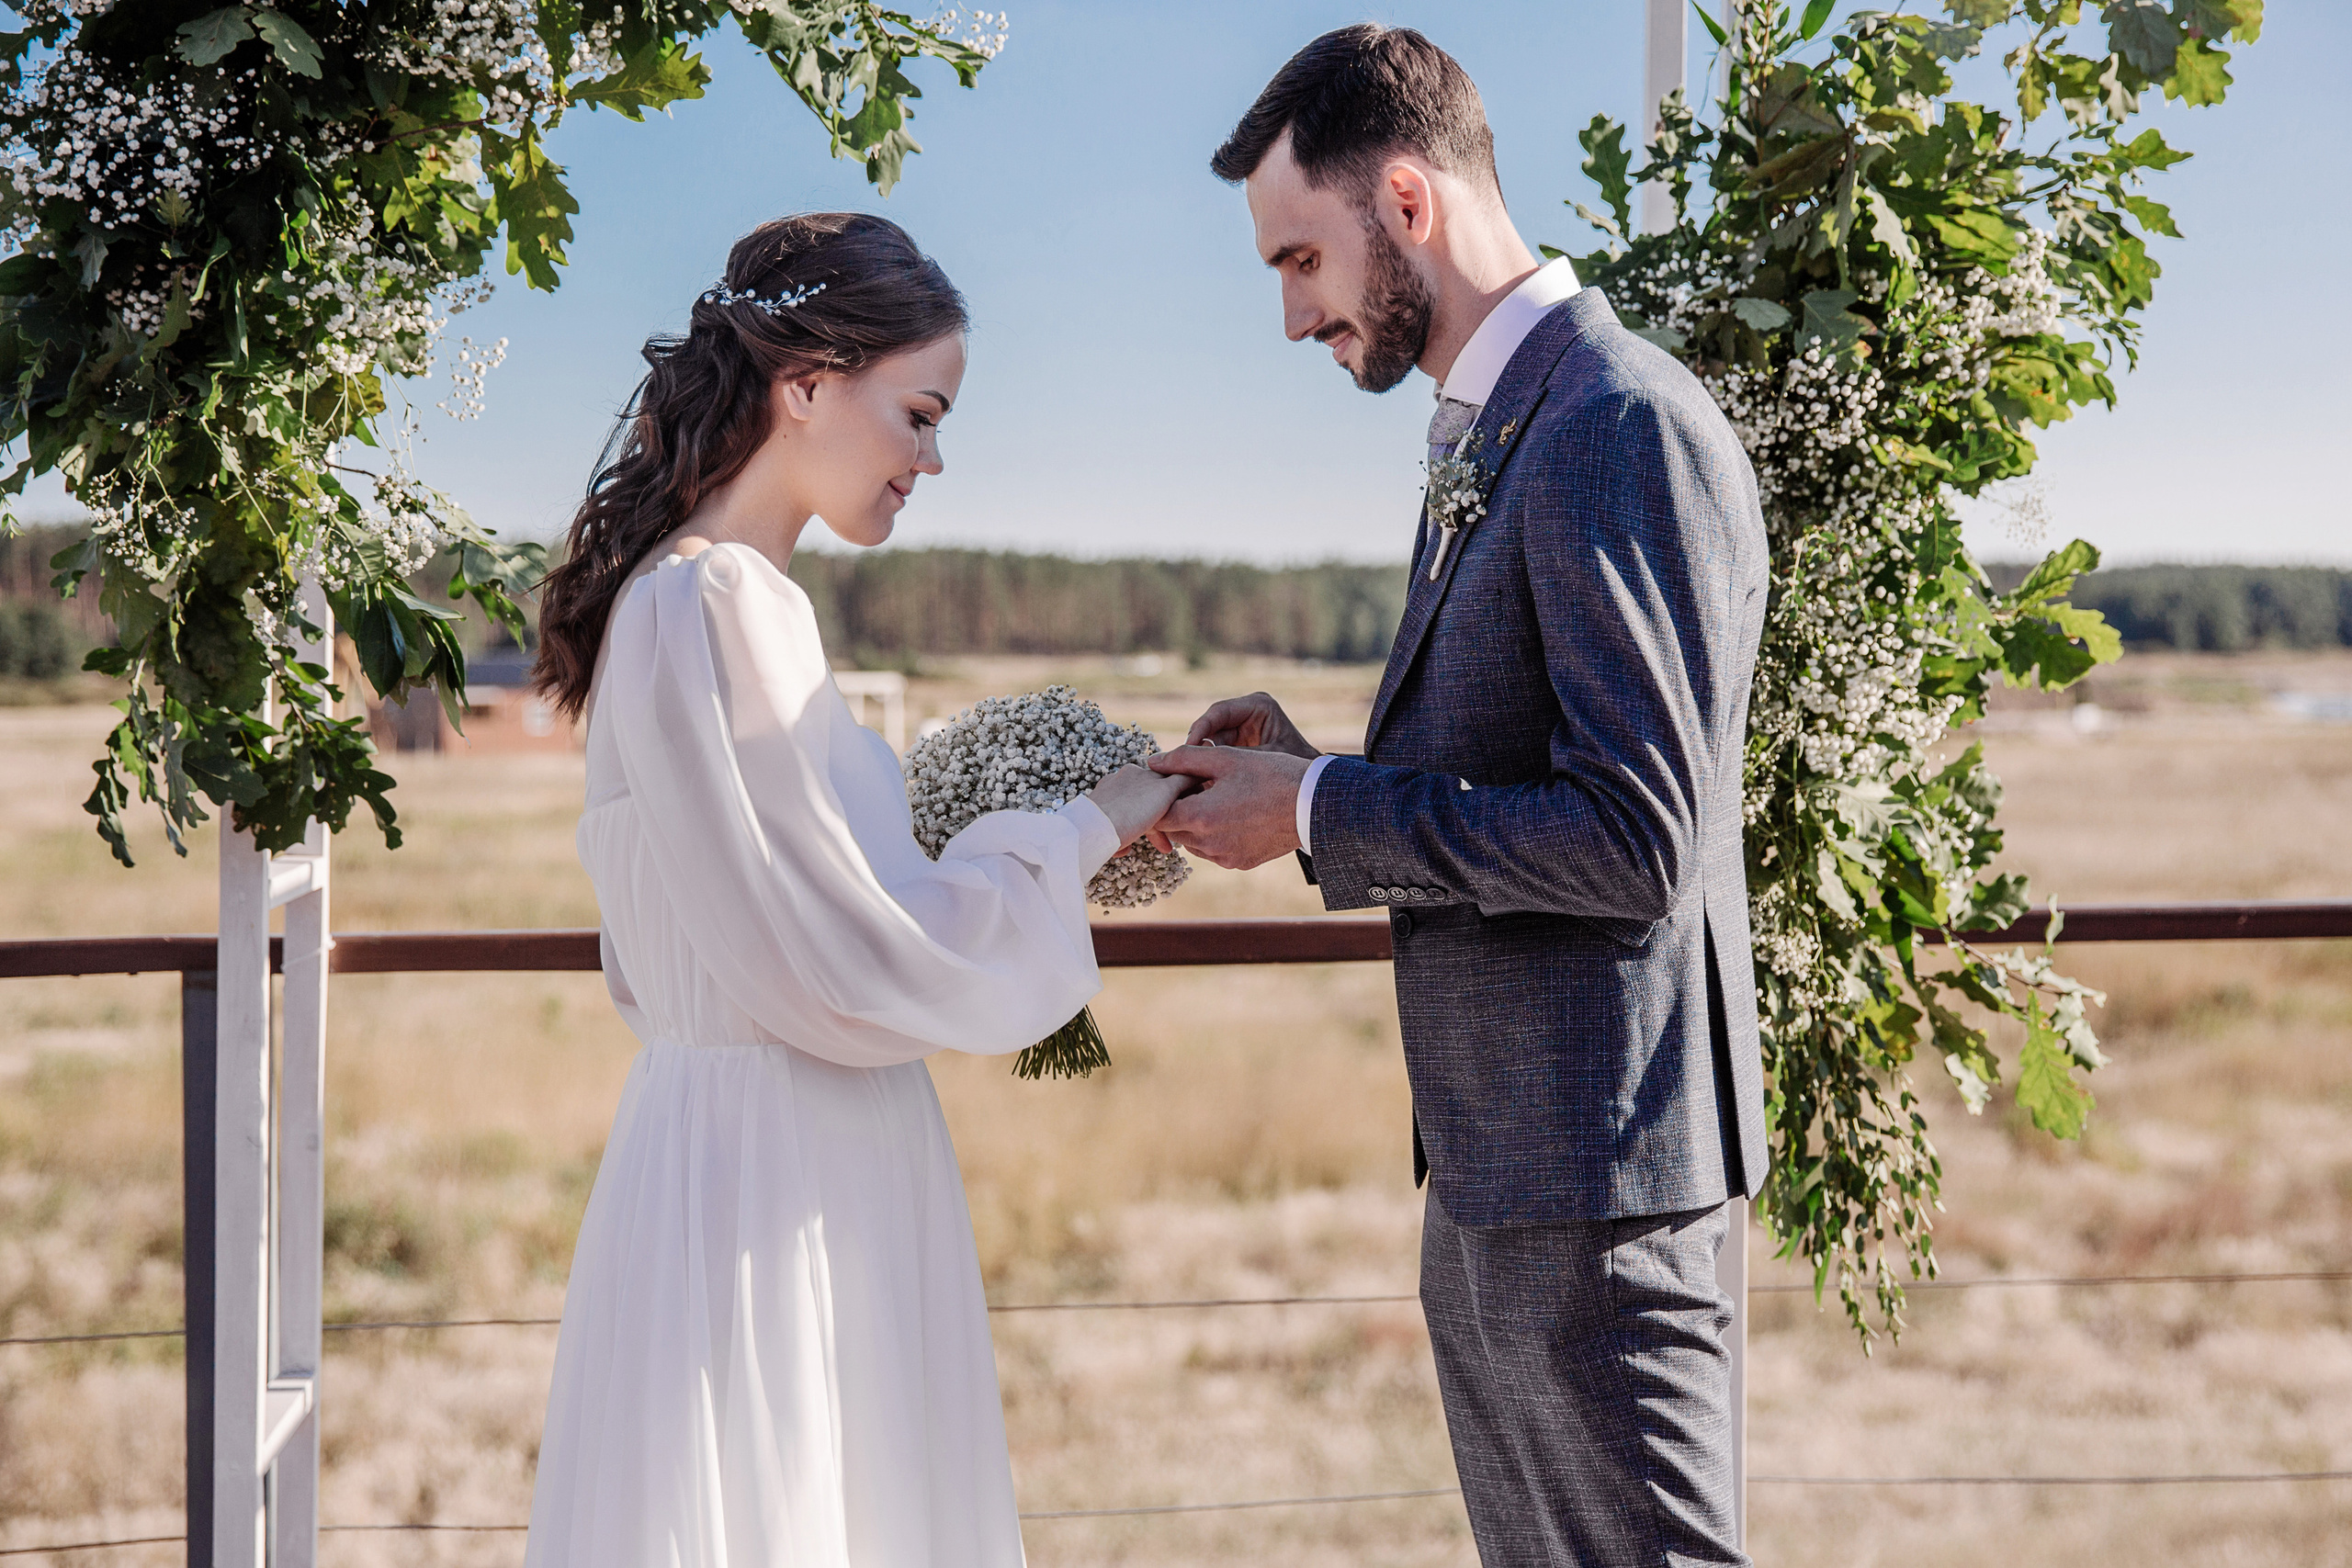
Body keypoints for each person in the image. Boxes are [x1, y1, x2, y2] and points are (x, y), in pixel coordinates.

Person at [1148, 27, 1769, 1568]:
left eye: (1303, 260)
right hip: (1506, 1176)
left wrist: (1314, 814)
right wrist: (1314, 766)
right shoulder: (1501, 423)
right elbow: (1519, 767)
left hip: (1606, 1192)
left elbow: (1636, 844)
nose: (1294, 316)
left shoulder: (1615, 422)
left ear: (1408, 204)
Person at [521, 212, 1191, 1568]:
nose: (934, 457)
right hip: (779, 1166)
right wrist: (1079, 826)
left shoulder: (697, 599)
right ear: (808, 383)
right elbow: (862, 957)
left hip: (746, 1138)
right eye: (921, 412)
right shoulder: (717, 608)